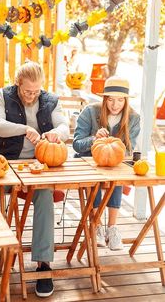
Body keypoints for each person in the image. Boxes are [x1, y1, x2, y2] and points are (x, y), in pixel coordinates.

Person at [0, 61, 70, 298]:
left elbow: (64, 125)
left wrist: (56, 133)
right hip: (5, 161)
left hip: (37, 165)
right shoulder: (3, 96)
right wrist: (24, 128)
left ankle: (43, 263)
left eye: (36, 91)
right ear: (18, 84)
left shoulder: (51, 100)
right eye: (27, 91)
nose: (32, 96)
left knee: (44, 197)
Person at [73, 76, 140, 250]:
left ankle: (112, 228)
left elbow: (128, 151)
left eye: (120, 100)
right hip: (88, 163)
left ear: (126, 101)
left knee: (115, 176)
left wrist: (114, 145)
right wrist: (94, 138)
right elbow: (77, 145)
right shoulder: (90, 112)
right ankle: (96, 225)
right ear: (104, 99)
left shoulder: (133, 118)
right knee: (96, 179)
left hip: (114, 165)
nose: (115, 105)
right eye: (110, 99)